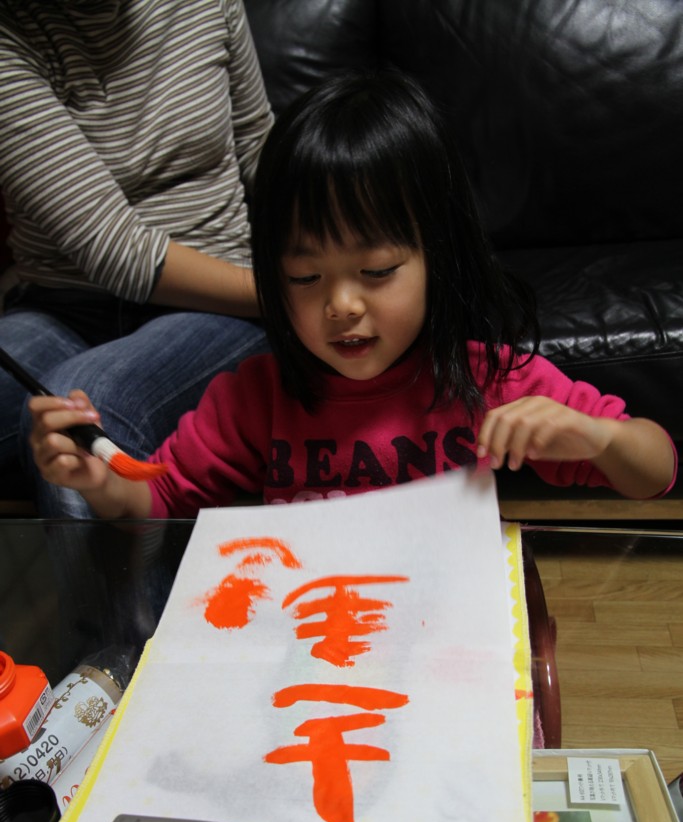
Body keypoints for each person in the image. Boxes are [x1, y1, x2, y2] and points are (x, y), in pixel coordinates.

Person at [27, 70, 677, 518]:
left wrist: (599, 439)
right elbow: (161, 499)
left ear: (438, 256)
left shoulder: (489, 380)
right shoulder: (253, 399)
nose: (341, 305)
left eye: (377, 270)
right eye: (305, 278)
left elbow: (656, 471)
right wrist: (102, 485)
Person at [0, 0, 273, 516]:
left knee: (79, 416)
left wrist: (328, 261)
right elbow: (116, 250)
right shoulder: (11, 32)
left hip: (216, 303)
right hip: (60, 305)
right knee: (67, 413)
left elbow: (262, 148)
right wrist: (288, 294)